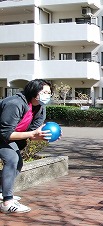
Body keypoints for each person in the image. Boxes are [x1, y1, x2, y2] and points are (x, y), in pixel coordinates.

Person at [0, 79, 54, 213]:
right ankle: (7, 203)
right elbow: (6, 133)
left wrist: (45, 136)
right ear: (33, 91)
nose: (47, 95)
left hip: (7, 137)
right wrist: (32, 134)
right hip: (3, 135)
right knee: (12, 159)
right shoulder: (15, 104)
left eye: (49, 92)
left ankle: (2, 192)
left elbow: (32, 133)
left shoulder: (40, 109)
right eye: (44, 92)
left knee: (18, 163)